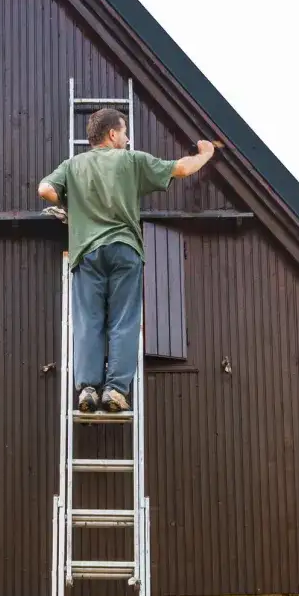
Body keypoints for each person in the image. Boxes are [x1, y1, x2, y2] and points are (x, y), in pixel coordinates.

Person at [38, 107, 216, 413]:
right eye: (124, 131)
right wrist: (206, 153)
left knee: (88, 321)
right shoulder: (132, 161)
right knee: (123, 319)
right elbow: (183, 169)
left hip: (87, 252)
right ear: (112, 134)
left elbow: (44, 190)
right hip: (123, 248)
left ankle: (89, 390)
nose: (128, 137)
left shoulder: (72, 165)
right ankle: (116, 390)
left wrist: (71, 206)